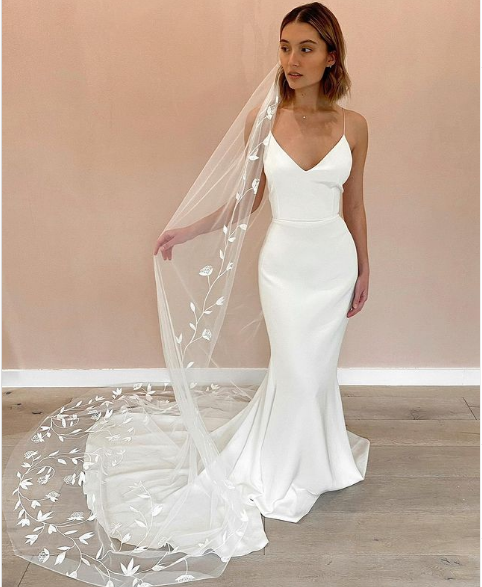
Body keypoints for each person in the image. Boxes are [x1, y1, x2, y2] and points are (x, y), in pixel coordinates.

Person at [4, 3, 370, 586]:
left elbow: (354, 206)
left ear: (331, 55)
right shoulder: (264, 119)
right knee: (297, 367)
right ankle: (284, 468)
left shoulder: (354, 126)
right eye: (284, 47)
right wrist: (189, 230)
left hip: (333, 263)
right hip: (283, 267)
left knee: (315, 371)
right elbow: (247, 203)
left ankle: (318, 459)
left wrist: (364, 268)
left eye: (305, 48)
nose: (291, 60)